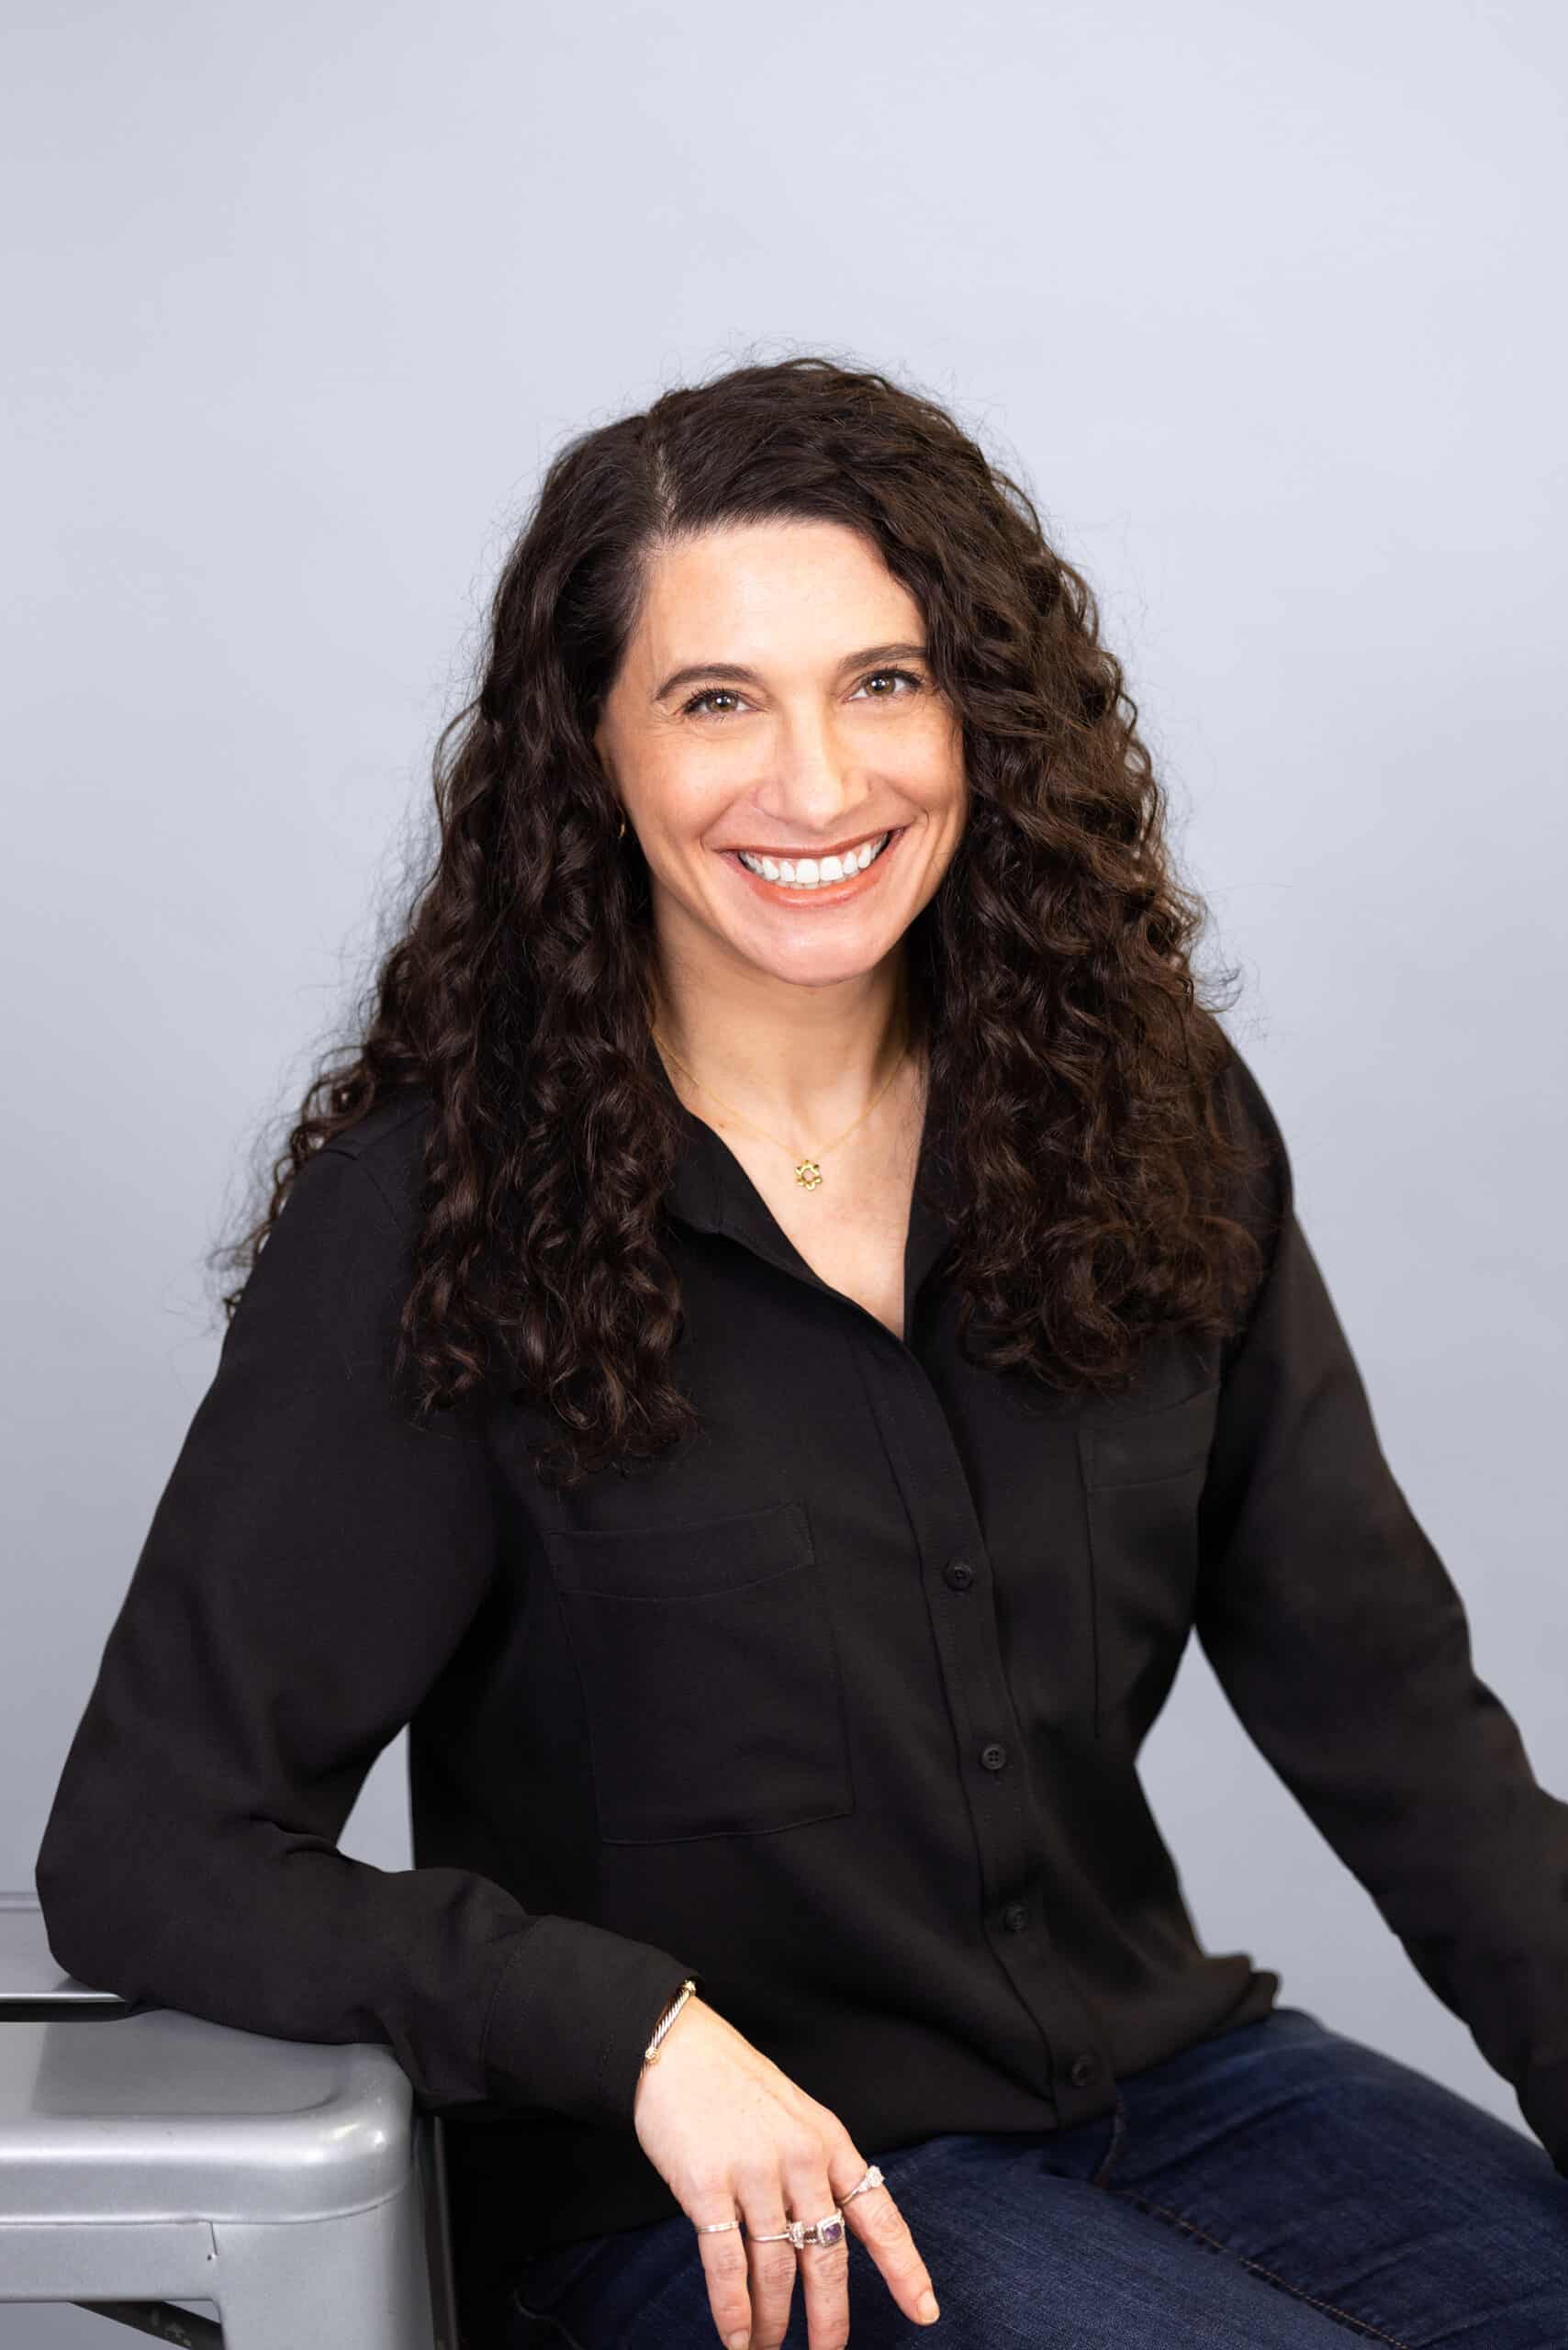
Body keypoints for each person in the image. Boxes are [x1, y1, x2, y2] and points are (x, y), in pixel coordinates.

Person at [34, 355, 1568, 2350]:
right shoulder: (446, 1215)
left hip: (1156, 2088)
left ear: (983, 716)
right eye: (714, 700)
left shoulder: (1149, 1116)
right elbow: (148, 1848)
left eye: (882, 681)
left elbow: (1395, 1719)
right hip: (693, 2190)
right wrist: (633, 2028)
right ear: (590, 750)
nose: (820, 785)